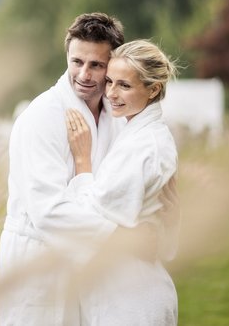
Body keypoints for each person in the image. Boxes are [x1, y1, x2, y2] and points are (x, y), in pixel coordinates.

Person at [0, 13, 178, 325]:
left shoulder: (118, 114)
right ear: (67, 55)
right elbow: (48, 211)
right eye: (77, 61)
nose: (84, 73)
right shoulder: (40, 117)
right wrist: (124, 238)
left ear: (113, 62)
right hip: (39, 263)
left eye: (96, 65)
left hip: (95, 268)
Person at [66, 39, 179, 325]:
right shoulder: (140, 135)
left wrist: (82, 163)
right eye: (110, 82)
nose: (111, 94)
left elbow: (88, 218)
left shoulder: (142, 148)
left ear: (153, 89)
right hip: (126, 293)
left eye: (124, 86)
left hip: (131, 301)